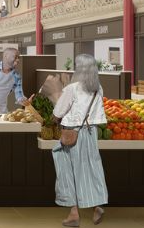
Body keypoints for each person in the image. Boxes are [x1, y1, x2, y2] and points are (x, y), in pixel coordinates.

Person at [51, 54, 107, 227]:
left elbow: (58, 112)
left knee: (67, 170)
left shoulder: (72, 88)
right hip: (91, 133)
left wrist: (53, 112)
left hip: (72, 134)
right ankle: (97, 205)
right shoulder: (98, 88)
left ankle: (74, 213)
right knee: (91, 168)